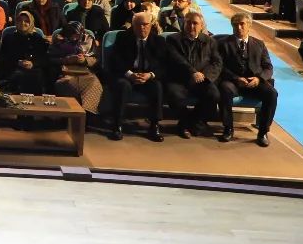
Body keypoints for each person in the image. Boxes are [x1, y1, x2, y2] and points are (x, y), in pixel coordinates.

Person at [103, 11, 174, 142]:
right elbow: (115, 61)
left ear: (151, 25)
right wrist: (129, 74)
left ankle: (154, 125)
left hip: (148, 76)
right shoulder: (122, 37)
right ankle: (117, 125)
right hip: (126, 75)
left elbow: (164, 65)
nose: (142, 27)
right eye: (138, 25)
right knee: (123, 86)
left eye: (145, 24)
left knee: (157, 86)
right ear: (133, 25)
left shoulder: (158, 41)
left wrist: (150, 75)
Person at [217, 12, 278, 147]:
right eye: (235, 25)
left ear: (249, 25)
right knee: (224, 89)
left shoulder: (259, 44)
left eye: (242, 24)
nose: (239, 28)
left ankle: (263, 132)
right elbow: (220, 67)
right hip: (233, 82)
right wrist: (236, 78)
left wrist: (259, 78)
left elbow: (268, 67)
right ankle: (228, 128)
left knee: (272, 93)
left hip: (255, 82)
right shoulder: (223, 44)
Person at [165, 11, 224, 139]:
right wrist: (192, 72)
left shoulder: (210, 41)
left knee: (214, 95)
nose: (191, 26)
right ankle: (185, 124)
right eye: (188, 23)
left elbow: (217, 62)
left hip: (202, 79)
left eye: (195, 23)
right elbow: (176, 59)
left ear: (201, 25)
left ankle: (195, 122)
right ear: (183, 24)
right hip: (179, 78)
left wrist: (204, 75)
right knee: (174, 96)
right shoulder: (173, 39)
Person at [0, 10, 53, 94]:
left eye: (26, 21)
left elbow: (44, 58)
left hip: (34, 70)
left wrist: (33, 63)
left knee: (36, 76)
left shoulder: (37, 38)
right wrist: (17, 62)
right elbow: (3, 58)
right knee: (18, 76)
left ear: (31, 22)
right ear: (16, 22)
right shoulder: (9, 38)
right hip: (13, 69)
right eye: (19, 20)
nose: (22, 23)